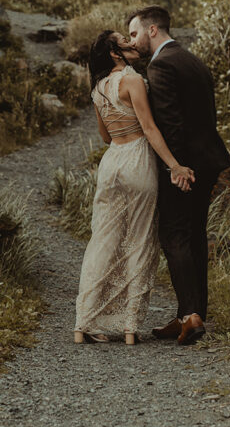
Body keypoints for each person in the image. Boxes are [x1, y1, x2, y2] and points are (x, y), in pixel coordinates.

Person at [74, 30, 195, 346]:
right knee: (140, 241)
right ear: (115, 53)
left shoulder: (98, 88)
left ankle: (82, 323)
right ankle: (129, 327)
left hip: (111, 162)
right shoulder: (133, 81)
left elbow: (104, 137)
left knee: (103, 240)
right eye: (123, 41)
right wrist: (175, 165)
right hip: (137, 160)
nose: (130, 43)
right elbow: (151, 130)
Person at [127, 5, 230, 345]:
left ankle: (190, 315)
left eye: (135, 33)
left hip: (184, 165)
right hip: (209, 158)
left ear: (152, 29)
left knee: (173, 235)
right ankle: (191, 311)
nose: (134, 41)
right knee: (195, 235)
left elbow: (171, 123)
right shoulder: (192, 60)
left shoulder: (161, 65)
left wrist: (176, 168)